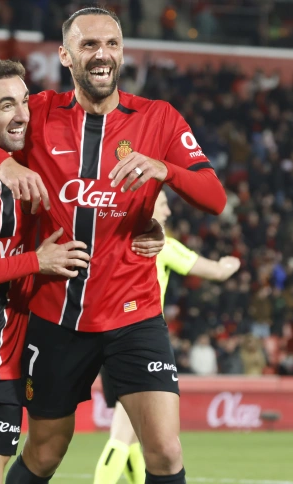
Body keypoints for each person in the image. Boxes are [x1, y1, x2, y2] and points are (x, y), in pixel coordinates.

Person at [0, 7, 227, 484]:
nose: (102, 54)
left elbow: (214, 197)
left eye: (112, 44)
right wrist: (1, 164)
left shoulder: (159, 119)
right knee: (44, 452)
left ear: (122, 52)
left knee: (165, 451)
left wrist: (167, 170)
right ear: (65, 55)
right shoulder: (38, 113)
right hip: (54, 317)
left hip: (133, 313)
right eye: (89, 45)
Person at [0, 57, 163, 484]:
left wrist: (143, 225)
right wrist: (36, 262)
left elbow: (90, 203)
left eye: (24, 102)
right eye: (6, 105)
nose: (22, 114)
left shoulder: (35, 164)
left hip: (8, 356)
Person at [94, 190, 240, 484]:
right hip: (136, 343)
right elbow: (213, 272)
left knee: (135, 435)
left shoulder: (112, 242)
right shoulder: (161, 246)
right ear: (147, 208)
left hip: (107, 339)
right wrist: (229, 265)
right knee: (123, 433)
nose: (168, 212)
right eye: (162, 204)